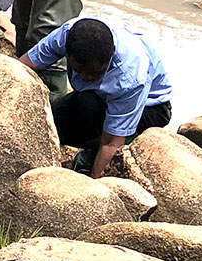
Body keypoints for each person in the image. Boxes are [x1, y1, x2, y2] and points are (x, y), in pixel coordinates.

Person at [20, 16, 172, 178]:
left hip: (150, 109)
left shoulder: (130, 78)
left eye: (95, 73)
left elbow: (112, 143)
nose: (85, 78)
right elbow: (21, 67)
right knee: (46, 126)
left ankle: (93, 153)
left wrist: (94, 181)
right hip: (94, 98)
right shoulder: (68, 34)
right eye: (79, 71)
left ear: (110, 56)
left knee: (104, 156)